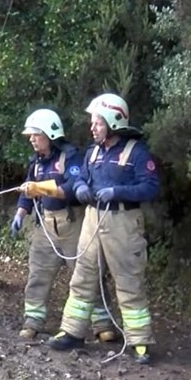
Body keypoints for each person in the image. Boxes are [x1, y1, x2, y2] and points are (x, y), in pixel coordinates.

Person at [48, 93, 160, 364]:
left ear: (112, 122)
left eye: (97, 123)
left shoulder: (137, 152)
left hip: (122, 222)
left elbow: (151, 187)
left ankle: (140, 341)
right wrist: (81, 187)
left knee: (129, 281)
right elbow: (79, 179)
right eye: (93, 123)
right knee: (83, 278)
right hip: (92, 220)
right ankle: (73, 331)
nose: (92, 128)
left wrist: (118, 191)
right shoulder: (93, 152)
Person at [11, 108, 115, 341]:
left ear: (49, 134)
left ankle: (103, 323)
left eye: (35, 135)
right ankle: (33, 321)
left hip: (72, 224)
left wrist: (41, 188)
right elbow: (27, 189)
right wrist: (20, 213)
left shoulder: (71, 158)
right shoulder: (36, 163)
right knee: (38, 274)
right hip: (45, 227)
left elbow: (72, 188)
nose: (31, 140)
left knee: (87, 273)